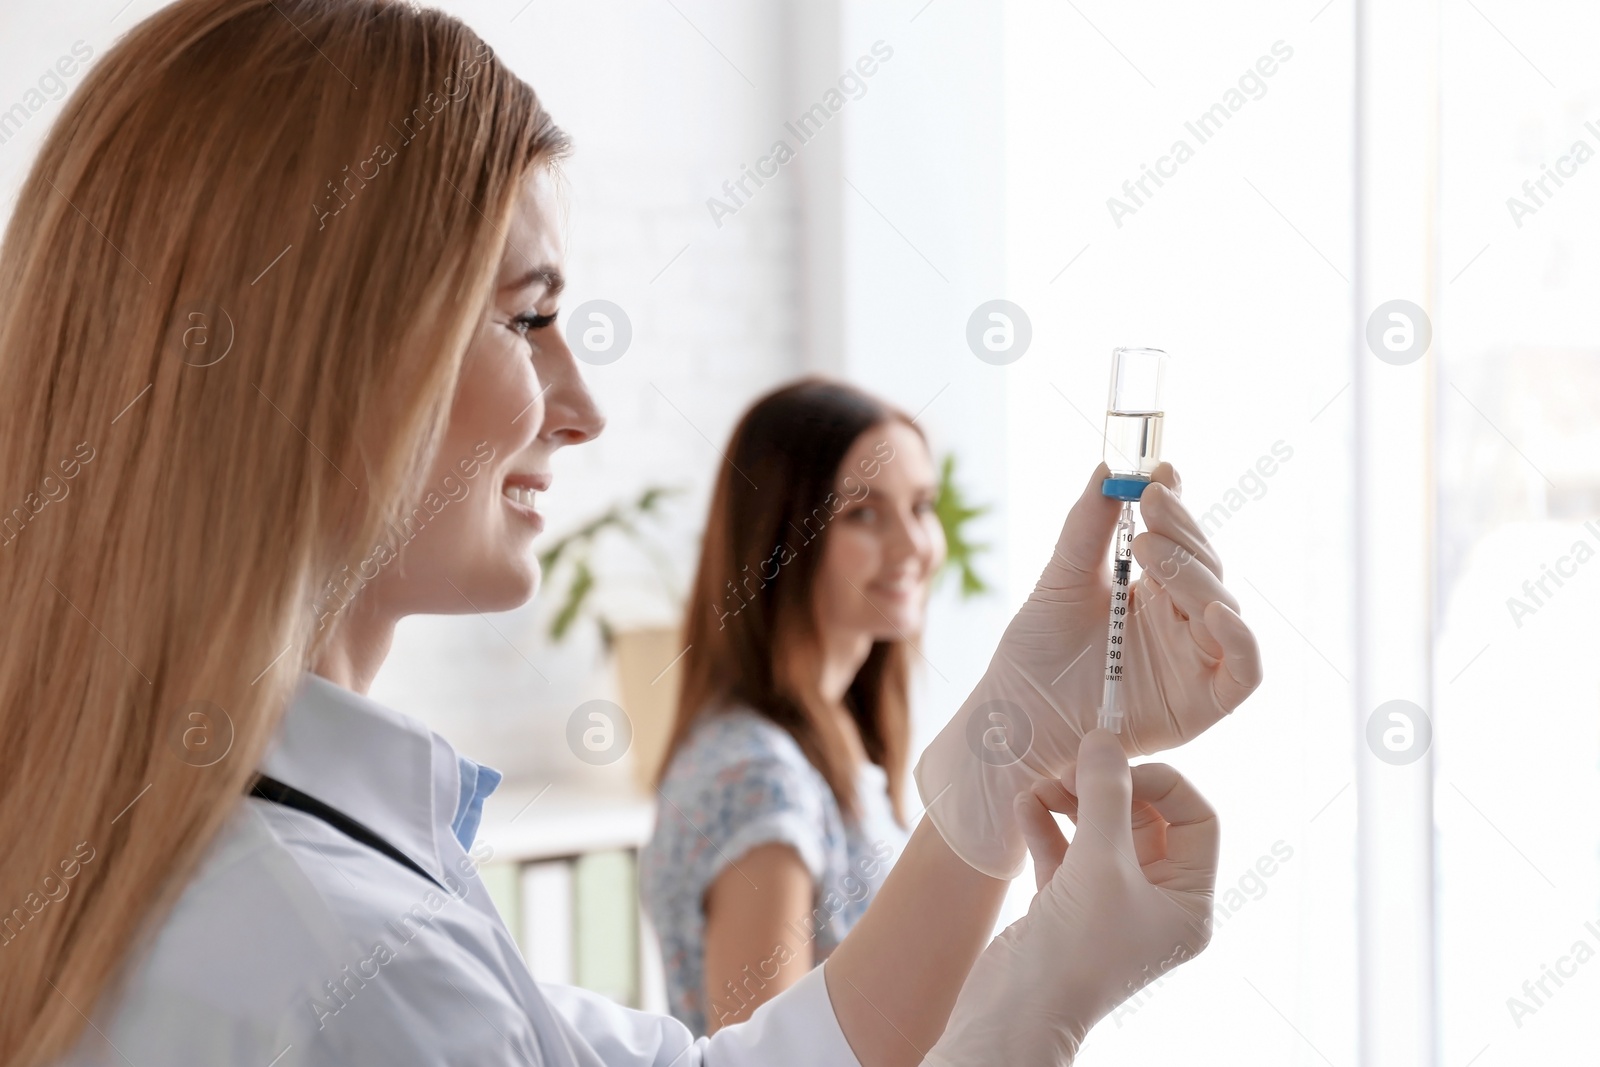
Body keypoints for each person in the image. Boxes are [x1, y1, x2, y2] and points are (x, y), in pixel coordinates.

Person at [0, 2, 1263, 1065]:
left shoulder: (275, 864)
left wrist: (1008, 747)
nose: (584, 410)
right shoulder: (349, 970)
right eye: (526, 317)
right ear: (314, 360)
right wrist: (1037, 1000)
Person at [641, 380, 940, 1034]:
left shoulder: (834, 734)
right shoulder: (758, 776)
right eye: (862, 512)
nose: (913, 544)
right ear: (780, 537)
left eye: (921, 506)